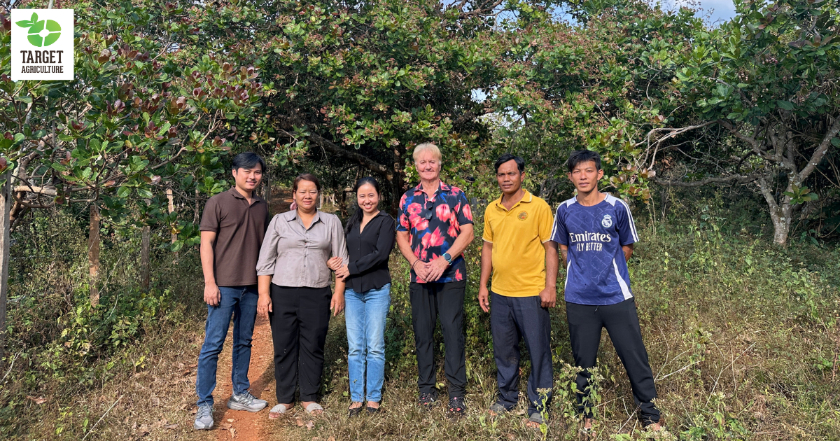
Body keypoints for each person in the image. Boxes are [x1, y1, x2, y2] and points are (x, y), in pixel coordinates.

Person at [550, 150, 662, 432]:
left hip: (615, 297)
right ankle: (586, 414)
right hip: (578, 299)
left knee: (633, 354)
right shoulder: (564, 210)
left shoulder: (617, 207)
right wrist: (581, 273)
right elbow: (563, 248)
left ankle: (649, 413)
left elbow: (627, 247)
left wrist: (604, 272)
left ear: (599, 174)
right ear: (570, 177)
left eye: (588, 170)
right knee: (583, 361)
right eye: (577, 172)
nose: (583, 176)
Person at [255, 173, 349, 417]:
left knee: (313, 344)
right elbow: (266, 260)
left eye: (313, 191)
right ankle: (285, 399)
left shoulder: (331, 222)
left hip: (317, 293)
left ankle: (309, 397)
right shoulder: (279, 221)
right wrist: (264, 294)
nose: (308, 196)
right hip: (283, 291)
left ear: (318, 194)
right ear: (294, 195)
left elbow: (341, 261)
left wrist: (339, 293)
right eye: (302, 191)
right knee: (284, 345)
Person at [478, 153, 558, 428]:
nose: (506, 179)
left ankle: (539, 406)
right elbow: (487, 248)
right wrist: (483, 285)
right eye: (501, 174)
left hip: (531, 292)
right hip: (500, 292)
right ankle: (507, 398)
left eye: (511, 174)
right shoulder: (491, 209)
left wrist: (550, 286)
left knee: (538, 350)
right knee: (504, 350)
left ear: (522, 175)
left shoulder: (538, 207)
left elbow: (551, 248)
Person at [396, 142, 475, 417]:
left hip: (451, 275)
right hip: (420, 277)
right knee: (423, 333)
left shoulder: (456, 195)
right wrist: (416, 263)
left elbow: (468, 232)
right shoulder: (407, 198)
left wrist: (445, 260)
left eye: (432, 161)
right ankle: (426, 388)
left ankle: (456, 392)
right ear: (415, 166)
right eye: (422, 162)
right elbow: (401, 236)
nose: (427, 166)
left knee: (453, 333)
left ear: (440, 164)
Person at [195, 152, 269, 430]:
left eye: (257, 172)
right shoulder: (218, 202)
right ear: (235, 173)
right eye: (247, 171)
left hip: (251, 286)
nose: (252, 176)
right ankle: (204, 404)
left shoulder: (262, 206)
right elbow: (206, 245)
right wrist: (210, 282)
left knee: (244, 341)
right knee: (213, 345)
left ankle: (240, 393)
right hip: (223, 286)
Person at [327, 177, 396, 417]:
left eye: (371, 195)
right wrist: (333, 262)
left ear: (379, 196)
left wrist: (351, 269)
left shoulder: (386, 222)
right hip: (353, 292)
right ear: (356, 198)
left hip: (377, 290)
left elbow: (381, 254)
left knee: (375, 346)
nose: (367, 200)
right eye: (362, 196)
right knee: (356, 347)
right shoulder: (351, 223)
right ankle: (357, 398)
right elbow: (340, 253)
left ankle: (373, 398)